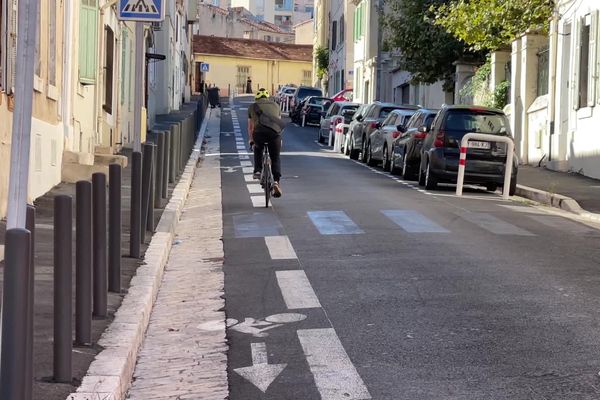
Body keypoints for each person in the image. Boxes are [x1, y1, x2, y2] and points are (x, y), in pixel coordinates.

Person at [248, 88, 283, 198]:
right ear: (267, 98)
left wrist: (251, 141)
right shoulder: (276, 106)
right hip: (274, 134)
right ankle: (276, 181)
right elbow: (279, 123)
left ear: (257, 98)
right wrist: (279, 139)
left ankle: (258, 170)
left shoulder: (252, 107)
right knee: (275, 157)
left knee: (258, 148)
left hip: (259, 133)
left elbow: (250, 127)